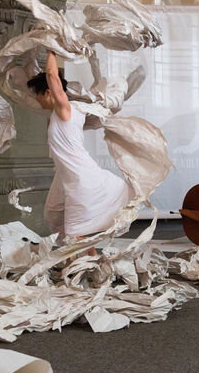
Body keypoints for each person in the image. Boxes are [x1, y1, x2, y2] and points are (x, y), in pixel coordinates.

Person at [27, 51, 132, 241]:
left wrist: (52, 48)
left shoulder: (64, 109)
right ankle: (89, 255)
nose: (36, 99)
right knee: (54, 216)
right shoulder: (67, 111)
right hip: (65, 175)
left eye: (37, 95)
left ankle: (80, 260)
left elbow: (52, 75)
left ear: (49, 92)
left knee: (73, 230)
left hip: (79, 176)